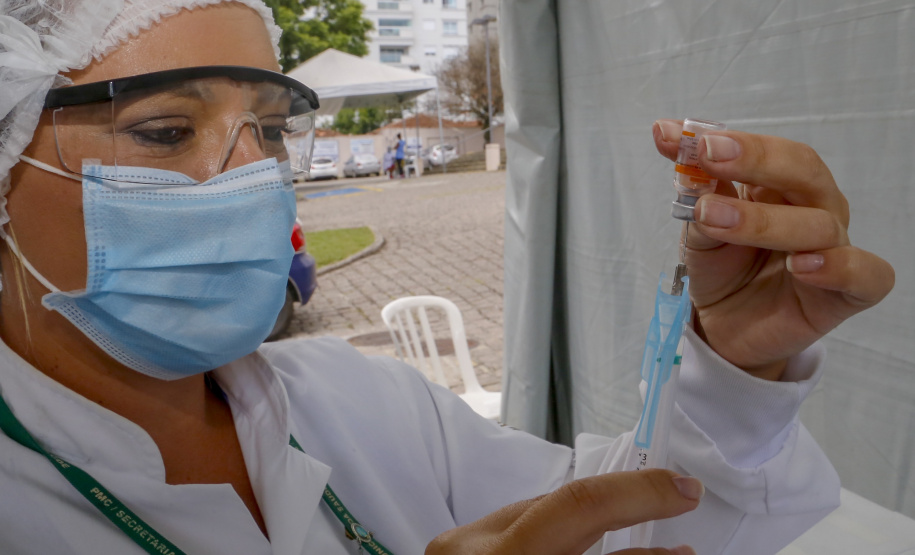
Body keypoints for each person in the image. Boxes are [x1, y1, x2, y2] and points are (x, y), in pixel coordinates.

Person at [0, 1, 895, 554]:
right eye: (163, 132)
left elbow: (628, 527)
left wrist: (733, 371)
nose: (245, 178)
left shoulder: (361, 401)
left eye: (270, 130)